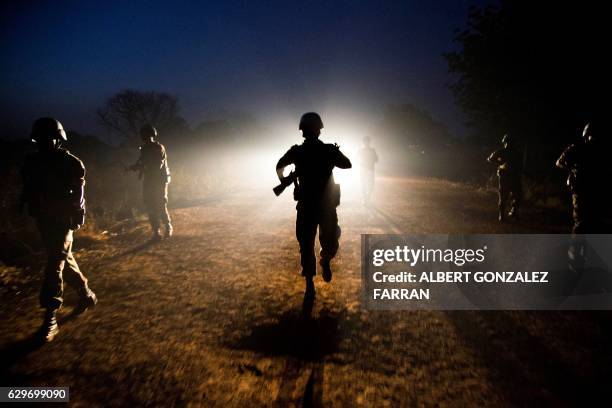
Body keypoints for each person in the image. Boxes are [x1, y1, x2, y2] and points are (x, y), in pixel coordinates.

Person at [20, 117, 97, 342]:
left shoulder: (71, 162)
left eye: (49, 138)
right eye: (41, 138)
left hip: (64, 220)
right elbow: (29, 187)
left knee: (55, 262)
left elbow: (79, 192)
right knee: (63, 258)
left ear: (58, 139)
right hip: (43, 219)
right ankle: (85, 294)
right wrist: (23, 203)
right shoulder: (31, 161)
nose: (45, 142)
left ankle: (50, 316)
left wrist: (79, 213)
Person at [276, 112, 352, 298]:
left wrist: (285, 179)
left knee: (306, 243)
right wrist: (334, 153)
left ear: (302, 131)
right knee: (331, 237)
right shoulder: (328, 150)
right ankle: (325, 259)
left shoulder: (296, 151)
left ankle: (309, 283)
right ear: (319, 130)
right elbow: (347, 164)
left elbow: (279, 166)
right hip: (326, 205)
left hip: (306, 205)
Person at [556, 122, 609, 233]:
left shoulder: (600, 151)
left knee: (593, 223)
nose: (592, 139)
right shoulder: (577, 148)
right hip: (580, 190)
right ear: (586, 136)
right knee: (581, 222)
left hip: (594, 190)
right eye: (591, 136)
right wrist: (573, 168)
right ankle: (574, 250)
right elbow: (559, 162)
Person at [129, 124, 173, 240]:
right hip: (149, 179)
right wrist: (134, 167)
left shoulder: (158, 148)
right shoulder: (144, 149)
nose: (143, 137)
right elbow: (142, 162)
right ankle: (156, 231)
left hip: (159, 179)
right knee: (149, 204)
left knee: (160, 203)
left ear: (151, 135)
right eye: (143, 135)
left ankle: (167, 226)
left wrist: (142, 167)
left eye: (145, 134)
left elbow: (157, 165)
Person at [487, 133, 523, 222]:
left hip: (515, 177)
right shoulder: (500, 151)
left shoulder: (517, 153)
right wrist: (500, 163)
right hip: (505, 177)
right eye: (508, 142)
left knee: (518, 196)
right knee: (503, 196)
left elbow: (520, 165)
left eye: (511, 142)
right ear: (505, 142)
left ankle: (513, 212)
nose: (509, 144)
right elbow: (490, 159)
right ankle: (501, 215)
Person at [359, 136, 378, 206]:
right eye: (365, 141)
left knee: (368, 184)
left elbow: (376, 159)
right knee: (366, 184)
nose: (366, 143)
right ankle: (366, 198)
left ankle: (366, 198)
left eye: (367, 141)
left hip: (367, 169)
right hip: (367, 169)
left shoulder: (364, 150)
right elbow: (376, 159)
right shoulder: (371, 150)